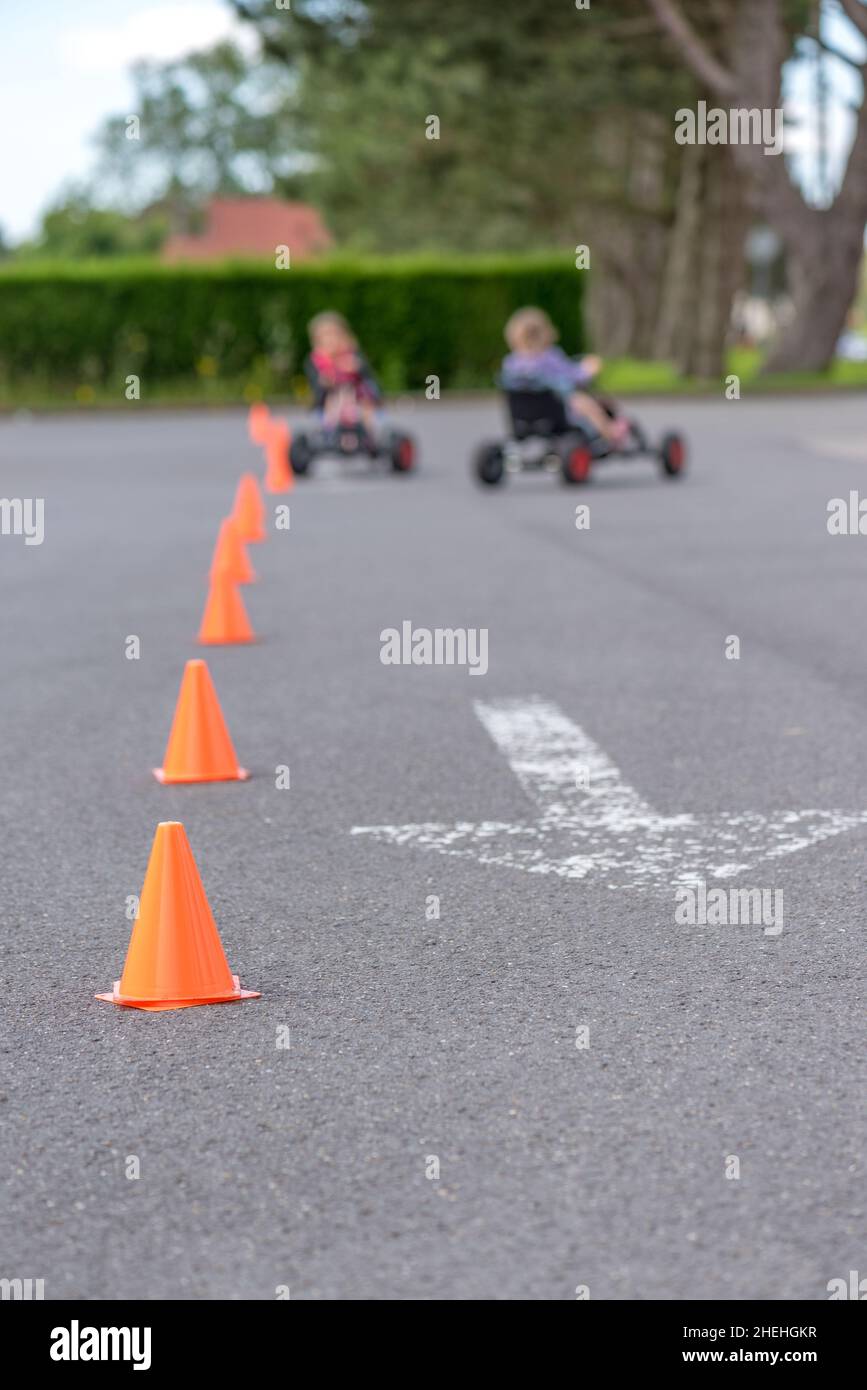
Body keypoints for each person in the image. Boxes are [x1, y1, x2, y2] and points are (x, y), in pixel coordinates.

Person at [500, 306, 629, 445]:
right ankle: (610, 432)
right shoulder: (548, 356)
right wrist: (588, 369)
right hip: (557, 410)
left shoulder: (511, 362)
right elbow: (571, 376)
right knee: (586, 403)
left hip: (524, 417)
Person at [305, 311, 382, 433]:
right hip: (331, 399)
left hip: (357, 397)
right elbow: (316, 387)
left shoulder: (352, 355)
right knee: (333, 399)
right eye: (325, 337)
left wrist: (357, 368)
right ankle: (331, 430)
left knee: (366, 401)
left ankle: (370, 432)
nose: (330, 341)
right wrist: (325, 381)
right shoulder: (316, 361)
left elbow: (369, 378)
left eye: (333, 335)